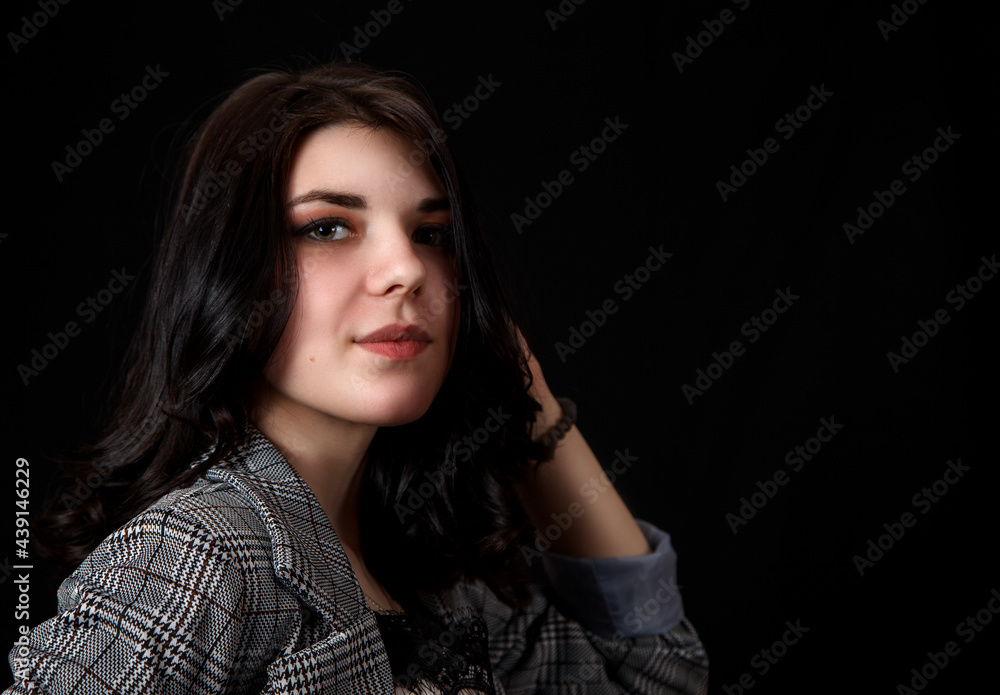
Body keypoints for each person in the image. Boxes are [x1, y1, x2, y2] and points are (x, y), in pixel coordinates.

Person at [6, 61, 708, 694]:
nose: (406, 269)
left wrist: (528, 398)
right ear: (229, 272)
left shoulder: (428, 574)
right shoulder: (202, 550)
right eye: (328, 227)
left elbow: (658, 674)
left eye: (432, 234)